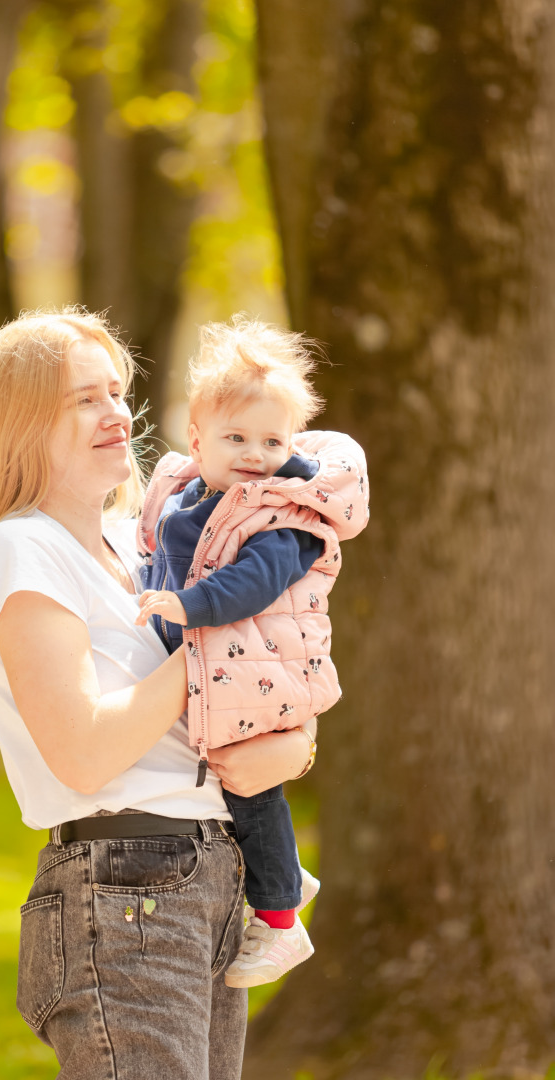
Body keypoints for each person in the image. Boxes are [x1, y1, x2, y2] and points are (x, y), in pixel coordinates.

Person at [0, 308, 318, 1080]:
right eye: (83, 398)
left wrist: (293, 745)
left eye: (116, 392)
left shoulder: (141, 543)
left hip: (214, 874)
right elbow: (84, 751)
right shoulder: (20, 549)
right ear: (20, 421)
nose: (116, 412)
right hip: (127, 887)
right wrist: (214, 649)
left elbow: (256, 682)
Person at [135, 315, 369, 989]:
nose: (253, 454)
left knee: (251, 785)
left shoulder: (283, 514)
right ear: (196, 439)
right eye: (235, 437)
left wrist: (189, 607)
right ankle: (286, 870)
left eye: (271, 440)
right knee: (232, 785)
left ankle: (278, 920)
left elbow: (254, 582)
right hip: (216, 669)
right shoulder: (184, 496)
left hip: (259, 669)